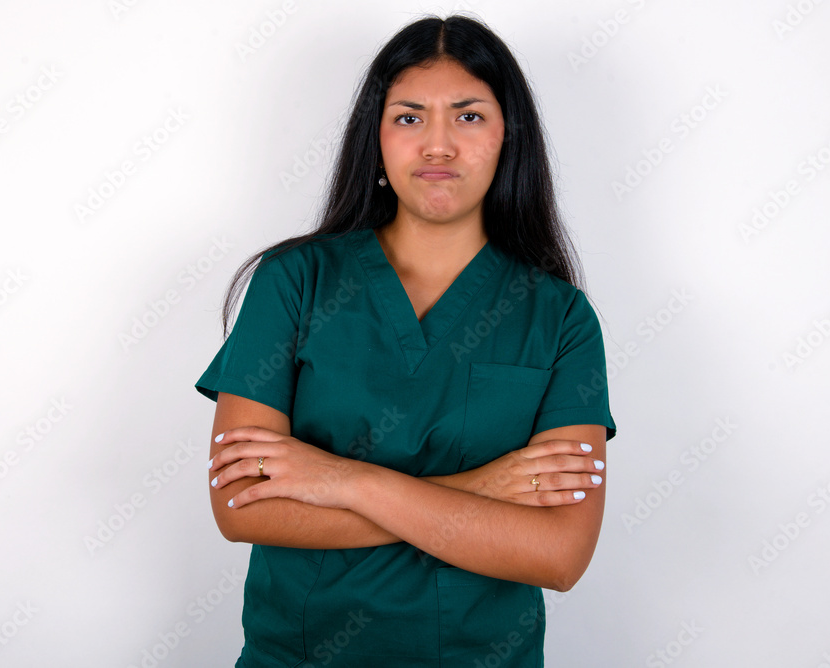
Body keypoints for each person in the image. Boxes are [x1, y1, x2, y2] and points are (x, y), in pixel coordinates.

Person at [196, 13, 617, 667]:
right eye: (410, 116)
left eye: (470, 116)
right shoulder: (294, 284)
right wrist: (482, 488)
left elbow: (558, 556)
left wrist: (337, 480)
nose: (439, 145)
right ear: (376, 137)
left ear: (511, 137)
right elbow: (242, 505)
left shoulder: (560, 319)